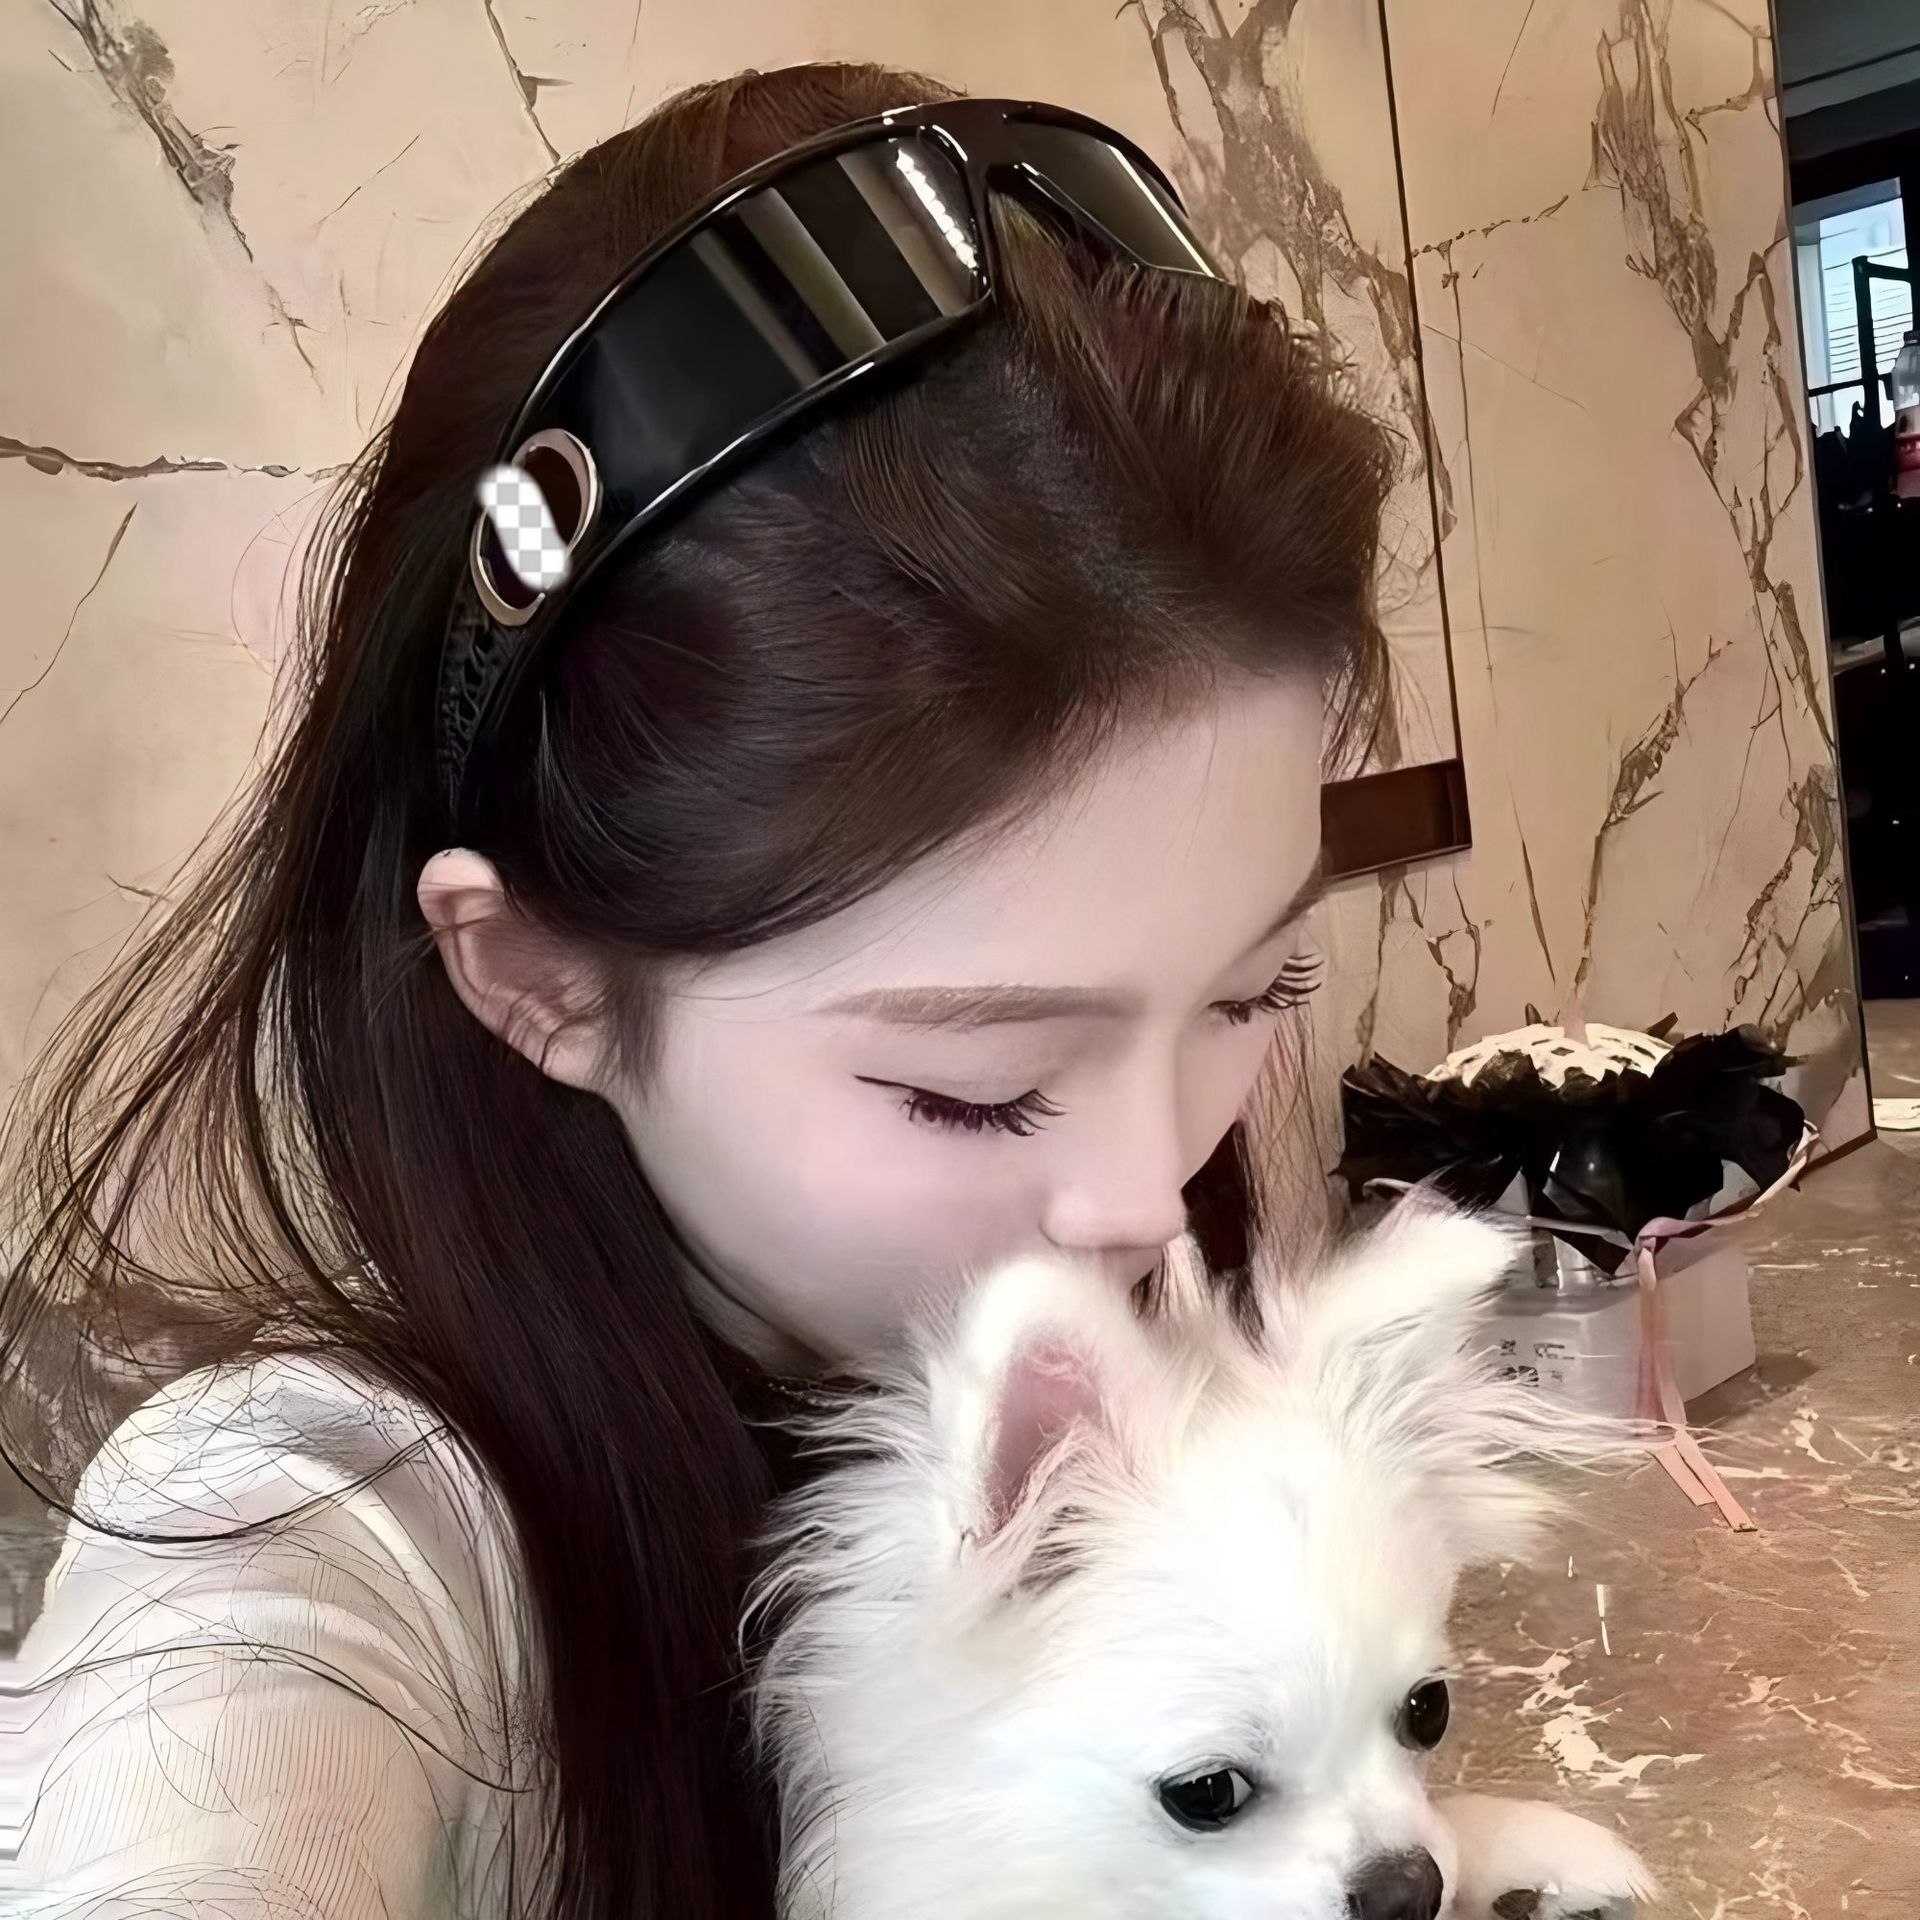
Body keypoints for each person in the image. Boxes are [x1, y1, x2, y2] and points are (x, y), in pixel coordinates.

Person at [0, 58, 1392, 1920]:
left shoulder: (1188, 1415)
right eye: (975, 1088)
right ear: (542, 982)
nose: (1151, 1196)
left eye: (1253, 989)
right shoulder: (320, 1535)